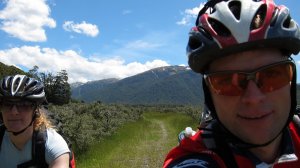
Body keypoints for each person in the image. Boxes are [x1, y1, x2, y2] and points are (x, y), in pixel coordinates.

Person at [163, 0, 300, 167]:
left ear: (291, 78)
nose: (254, 98)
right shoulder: (196, 159)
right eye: (227, 81)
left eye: (272, 75)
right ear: (209, 93)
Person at [0, 74, 71, 167]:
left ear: (35, 111)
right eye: (7, 104)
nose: (14, 112)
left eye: (24, 105)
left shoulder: (53, 144)